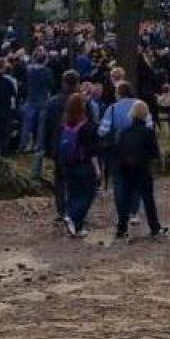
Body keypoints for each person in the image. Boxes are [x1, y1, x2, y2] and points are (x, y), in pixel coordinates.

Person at [112, 100, 168, 240]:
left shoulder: (124, 132)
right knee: (148, 199)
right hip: (143, 168)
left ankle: (121, 228)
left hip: (126, 168)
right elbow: (154, 154)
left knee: (125, 198)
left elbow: (118, 151)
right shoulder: (148, 132)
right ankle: (154, 227)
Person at [56, 91, 101, 237]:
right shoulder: (87, 126)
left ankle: (76, 226)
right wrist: (97, 168)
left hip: (68, 164)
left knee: (73, 193)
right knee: (88, 194)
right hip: (84, 164)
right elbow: (92, 150)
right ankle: (73, 217)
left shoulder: (63, 125)